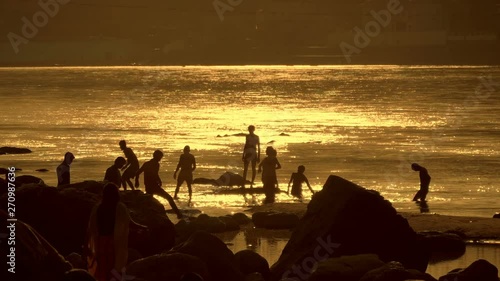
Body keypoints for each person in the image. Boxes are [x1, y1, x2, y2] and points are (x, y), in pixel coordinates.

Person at [85, 183, 130, 281]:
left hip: (100, 242)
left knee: (102, 269)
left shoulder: (98, 208)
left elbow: (91, 228)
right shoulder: (119, 208)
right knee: (115, 268)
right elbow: (125, 223)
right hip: (113, 243)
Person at [135, 150, 183, 219]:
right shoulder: (151, 164)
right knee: (169, 198)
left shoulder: (150, 164)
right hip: (153, 187)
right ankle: (178, 214)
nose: (160, 159)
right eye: (160, 157)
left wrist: (159, 180)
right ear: (157, 156)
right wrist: (137, 181)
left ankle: (178, 214)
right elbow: (139, 172)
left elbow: (153, 174)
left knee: (151, 202)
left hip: (151, 186)